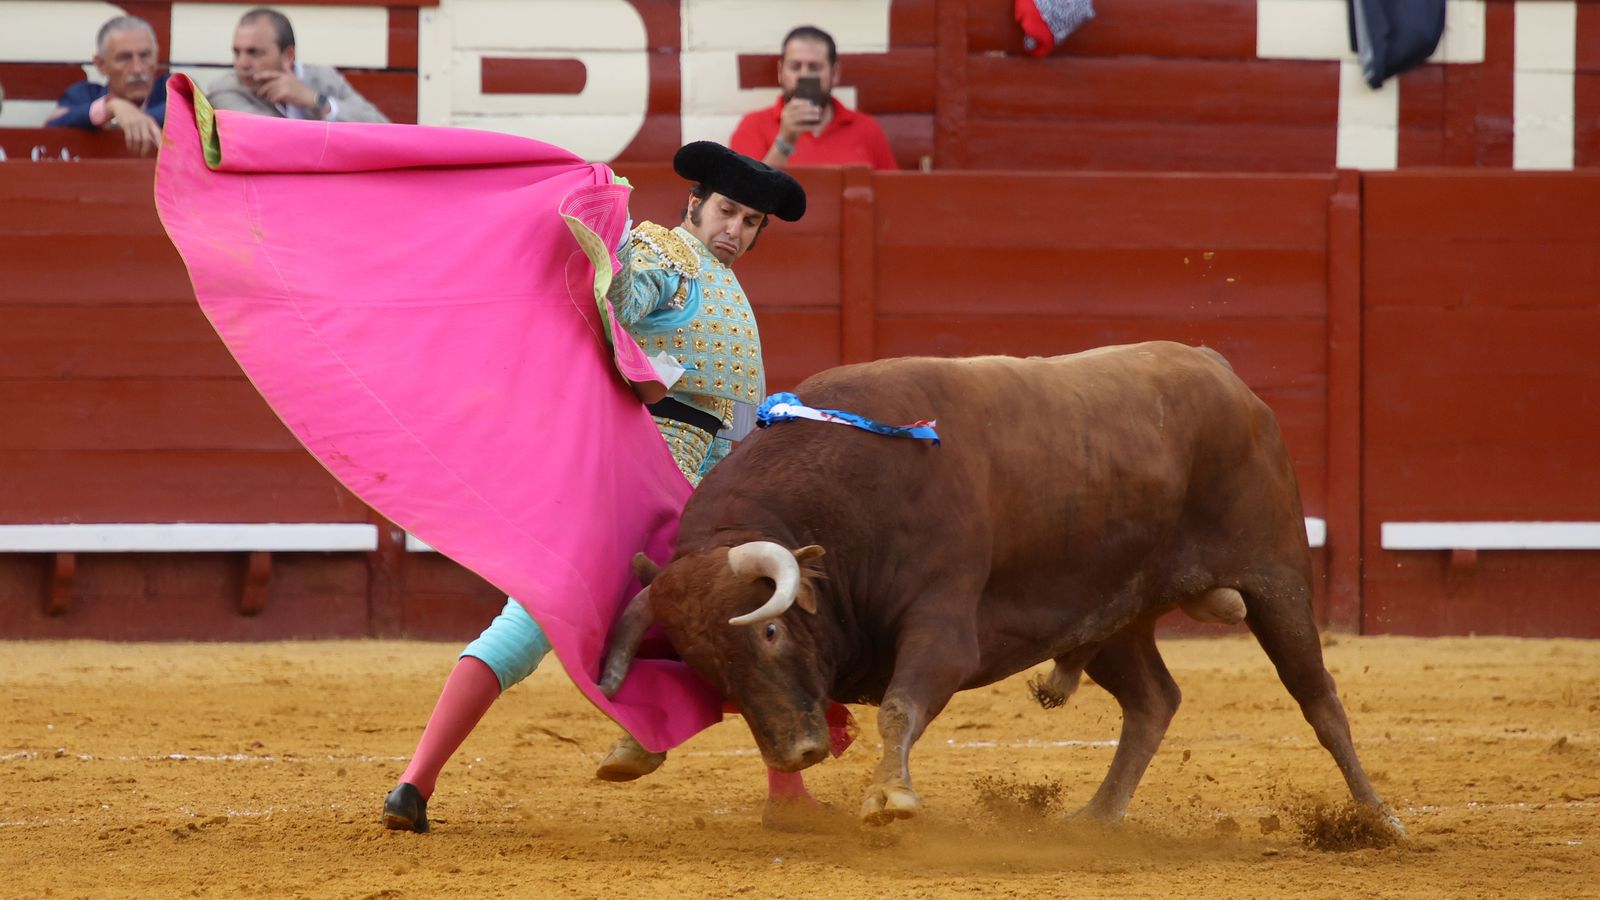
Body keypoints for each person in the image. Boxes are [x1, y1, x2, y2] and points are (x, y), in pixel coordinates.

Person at [382, 142, 850, 835]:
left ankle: (418, 782)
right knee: (542, 621)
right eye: (727, 211)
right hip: (649, 474)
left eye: (751, 222)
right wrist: (618, 237)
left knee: (728, 617)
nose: (736, 231)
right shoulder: (669, 252)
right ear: (695, 202)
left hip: (698, 483)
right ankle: (415, 780)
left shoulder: (718, 276)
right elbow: (624, 300)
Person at [728, 25, 898, 171]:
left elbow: (891, 197)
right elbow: (743, 201)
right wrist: (785, 141)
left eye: (815, 67)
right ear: (780, 72)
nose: (804, 75)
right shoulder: (753, 126)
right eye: (795, 67)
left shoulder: (867, 129)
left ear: (835, 73)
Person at [206, 8, 388, 123]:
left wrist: (312, 99)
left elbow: (381, 126)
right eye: (237, 52)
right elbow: (270, 139)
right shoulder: (225, 90)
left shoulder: (324, 78)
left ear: (288, 55)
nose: (241, 63)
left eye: (254, 52)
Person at [46, 16, 170, 157]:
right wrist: (109, 106)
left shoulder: (171, 89)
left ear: (156, 57)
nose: (137, 69)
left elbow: (190, 110)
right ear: (101, 64)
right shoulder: (83, 95)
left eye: (145, 55)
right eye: (125, 58)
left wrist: (123, 119)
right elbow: (52, 124)